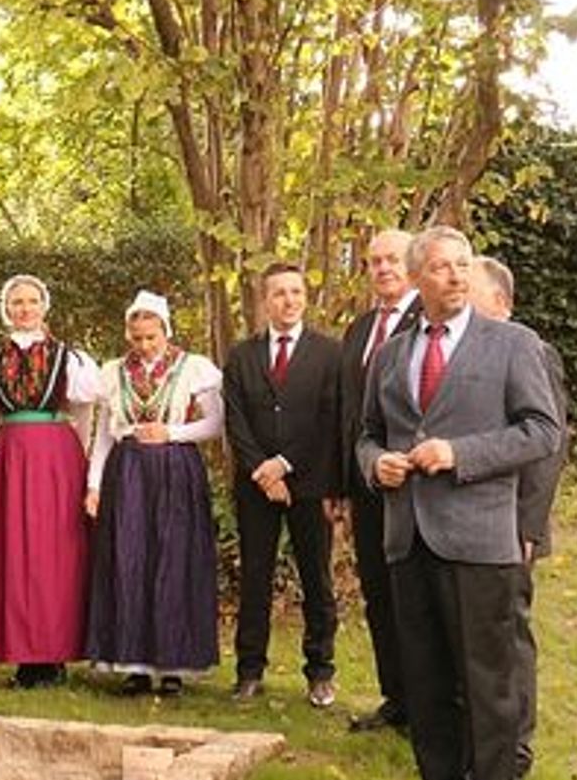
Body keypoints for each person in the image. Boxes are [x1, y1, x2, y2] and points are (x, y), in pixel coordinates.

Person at [360, 226, 561, 780]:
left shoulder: (512, 344)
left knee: (488, 686)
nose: (454, 275)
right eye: (441, 266)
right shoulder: (392, 355)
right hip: (408, 536)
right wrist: (377, 464)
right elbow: (365, 436)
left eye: (462, 265)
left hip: (479, 538)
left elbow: (541, 430)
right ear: (418, 277)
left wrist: (462, 454)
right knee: (425, 683)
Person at [0, 274, 99, 688]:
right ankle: (23, 652)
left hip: (57, 454)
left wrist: (83, 460)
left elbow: (84, 412)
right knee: (14, 551)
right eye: (17, 302)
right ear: (7, 309)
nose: (25, 309)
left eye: (32, 301)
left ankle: (53, 653)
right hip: (10, 454)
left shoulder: (70, 359)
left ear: (44, 306)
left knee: (54, 552)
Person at [83, 291, 223, 695]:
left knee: (174, 558)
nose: (144, 345)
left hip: (176, 467)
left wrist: (171, 432)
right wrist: (94, 484)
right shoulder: (113, 373)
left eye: (151, 336)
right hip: (127, 472)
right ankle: (135, 663)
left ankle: (174, 663)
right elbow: (104, 436)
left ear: (165, 330)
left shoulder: (193, 368)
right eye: (137, 337)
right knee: (130, 558)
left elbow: (215, 423)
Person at [221, 263, 343, 707]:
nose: (289, 300)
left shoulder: (330, 355)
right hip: (256, 487)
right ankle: (249, 670)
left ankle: (320, 671)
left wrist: (285, 465)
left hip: (309, 483)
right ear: (264, 301)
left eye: (296, 292)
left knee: (316, 577)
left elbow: (330, 421)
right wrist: (262, 470)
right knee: (255, 575)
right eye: (279, 293)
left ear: (305, 298)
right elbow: (235, 420)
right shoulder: (242, 356)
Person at [469, 254, 569, 780]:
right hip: (475, 524)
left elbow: (547, 448)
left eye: (474, 293)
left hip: (512, 526)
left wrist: (528, 526)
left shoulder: (531, 351)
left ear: (502, 304)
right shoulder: (468, 353)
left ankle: (518, 743)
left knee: (511, 635)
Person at [337, 229, 420, 732]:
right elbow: (347, 412)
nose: (383, 268)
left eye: (392, 259)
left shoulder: (425, 322)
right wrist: (340, 485)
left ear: (411, 264)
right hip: (365, 484)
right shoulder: (361, 327)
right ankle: (396, 697)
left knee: (411, 594)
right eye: (374, 262)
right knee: (378, 594)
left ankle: (424, 703)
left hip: (413, 485)